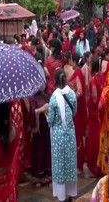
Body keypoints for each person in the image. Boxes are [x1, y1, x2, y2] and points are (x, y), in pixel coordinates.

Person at [47, 68, 78, 202]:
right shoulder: (71, 94)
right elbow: (74, 112)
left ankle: (61, 196)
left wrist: (46, 115)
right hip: (70, 134)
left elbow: (51, 120)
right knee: (70, 163)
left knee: (59, 165)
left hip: (58, 137)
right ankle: (71, 194)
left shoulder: (53, 97)